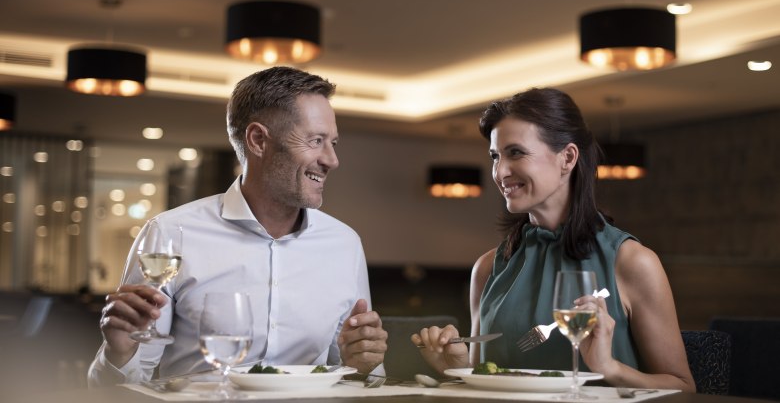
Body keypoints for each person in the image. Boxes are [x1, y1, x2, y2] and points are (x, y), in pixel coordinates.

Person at [88, 66, 387, 386]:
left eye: (333, 143)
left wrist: (363, 364)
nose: (331, 159)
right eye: (316, 140)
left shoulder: (344, 243)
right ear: (258, 140)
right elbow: (124, 386)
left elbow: (353, 374)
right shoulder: (171, 235)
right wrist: (118, 354)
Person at [411, 88, 695, 392]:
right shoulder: (487, 268)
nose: (500, 171)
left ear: (567, 158)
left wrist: (610, 368)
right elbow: (488, 381)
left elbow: (683, 387)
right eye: (495, 156)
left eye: (516, 152)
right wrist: (459, 369)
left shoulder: (632, 262)